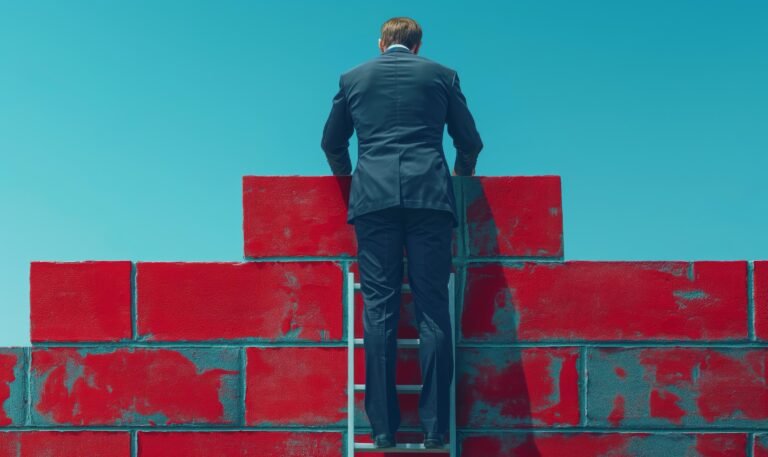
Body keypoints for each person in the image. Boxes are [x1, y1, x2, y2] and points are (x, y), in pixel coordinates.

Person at [320, 16, 483, 449]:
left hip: (373, 200)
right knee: (433, 309)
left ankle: (383, 429)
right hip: (431, 197)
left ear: (381, 44)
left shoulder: (353, 77)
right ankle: (434, 428)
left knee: (379, 311)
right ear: (417, 45)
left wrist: (351, 181)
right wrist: (460, 177)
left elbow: (331, 143)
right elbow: (470, 142)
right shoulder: (442, 75)